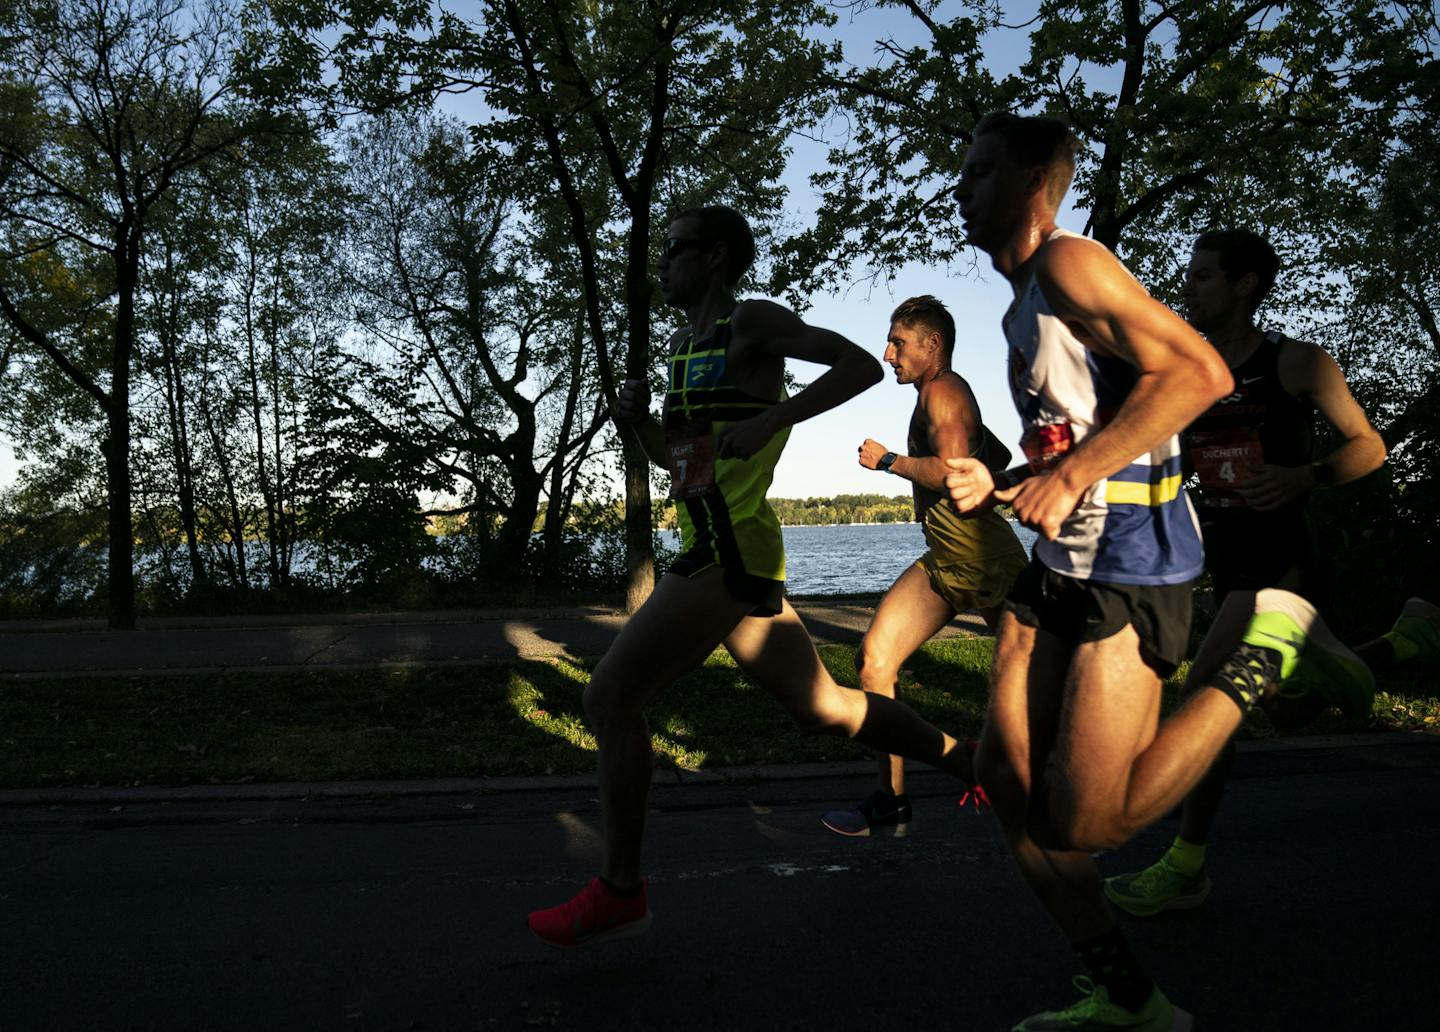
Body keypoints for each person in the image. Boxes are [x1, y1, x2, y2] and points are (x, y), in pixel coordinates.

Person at [942, 112, 1376, 1031]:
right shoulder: (1023, 297)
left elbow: (1200, 373)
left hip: (1132, 560)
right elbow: (1092, 428)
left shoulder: (1069, 263)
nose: (960, 188)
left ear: (1029, 186)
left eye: (979, 173)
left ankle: (1268, 649)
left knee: (1095, 825)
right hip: (1065, 553)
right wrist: (1016, 473)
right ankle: (1130, 999)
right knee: (1007, 779)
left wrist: (1067, 473)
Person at [526, 204, 982, 948]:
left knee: (609, 697)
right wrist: (635, 424)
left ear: (712, 257)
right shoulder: (683, 346)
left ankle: (620, 890)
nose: (662, 263)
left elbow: (859, 366)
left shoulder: (754, 324)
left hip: (726, 552)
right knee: (826, 708)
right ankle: (966, 757)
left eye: (673, 249)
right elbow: (678, 465)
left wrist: (776, 419)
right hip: (718, 544)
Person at [1103, 230, 1440, 918]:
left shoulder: (1296, 363)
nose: (1187, 285)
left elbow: (1370, 447)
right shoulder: (1185, 374)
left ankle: (1187, 864)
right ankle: (1398, 646)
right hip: (1229, 556)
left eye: (1202, 275)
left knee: (1206, 697)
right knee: (1284, 712)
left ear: (1245, 284)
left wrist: (1304, 476)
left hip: (1284, 551)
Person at [821, 295, 1026, 837]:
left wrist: (889, 461)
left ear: (932, 344)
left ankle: (1083, 796)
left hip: (985, 556)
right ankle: (891, 801)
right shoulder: (944, 396)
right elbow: (990, 460)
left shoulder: (941, 390)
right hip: (947, 555)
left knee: (1033, 685)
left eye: (899, 343)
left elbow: (955, 473)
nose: (888, 353)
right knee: (874, 660)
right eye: (890, 343)